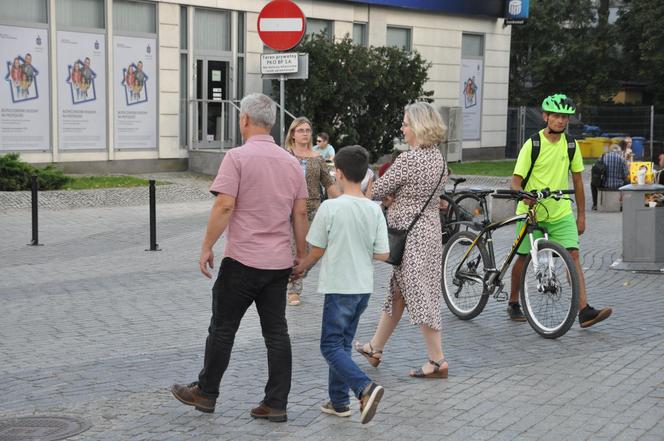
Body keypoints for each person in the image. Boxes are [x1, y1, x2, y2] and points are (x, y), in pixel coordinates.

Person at [171, 93, 309, 423]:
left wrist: (206, 246)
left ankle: (206, 392)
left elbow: (224, 205)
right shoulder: (292, 162)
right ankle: (275, 403)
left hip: (242, 261)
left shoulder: (236, 157)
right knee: (276, 334)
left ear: (244, 119)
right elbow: (300, 212)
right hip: (277, 263)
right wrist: (300, 256)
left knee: (222, 329)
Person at [292, 145, 389, 425]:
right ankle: (339, 402)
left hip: (339, 286)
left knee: (330, 346)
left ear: (339, 174)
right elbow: (382, 254)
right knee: (343, 344)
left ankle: (364, 387)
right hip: (363, 288)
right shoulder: (373, 209)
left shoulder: (330, 207)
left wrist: (301, 268)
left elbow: (317, 249)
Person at [355, 102, 449, 378]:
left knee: (421, 295)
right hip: (429, 231)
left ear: (419, 127)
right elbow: (419, 194)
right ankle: (375, 347)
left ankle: (437, 361)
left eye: (406, 123)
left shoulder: (410, 160)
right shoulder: (438, 159)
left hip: (411, 237)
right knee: (398, 293)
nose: (402, 127)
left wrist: (374, 183)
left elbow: (374, 192)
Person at [508, 93, 612, 328]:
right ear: (545, 117)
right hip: (531, 211)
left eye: (565, 117)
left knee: (573, 255)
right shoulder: (532, 145)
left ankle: (584, 311)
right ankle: (514, 300)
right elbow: (515, 182)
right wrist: (526, 197)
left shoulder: (571, 145)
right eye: (556, 116)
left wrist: (582, 216)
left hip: (561, 212)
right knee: (523, 259)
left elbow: (577, 182)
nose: (561, 121)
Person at [284, 117, 340, 306]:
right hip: (290, 212)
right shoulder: (285, 156)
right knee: (294, 251)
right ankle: (293, 289)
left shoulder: (318, 158)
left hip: (314, 211)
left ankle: (293, 276)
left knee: (312, 254)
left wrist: (343, 202)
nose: (305, 133)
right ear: (292, 134)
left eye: (308, 130)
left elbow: (329, 185)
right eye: (300, 130)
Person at [590, 143, 629, 210]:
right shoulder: (622, 159)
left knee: (593, 184)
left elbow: (597, 170)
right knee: (629, 183)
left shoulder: (602, 157)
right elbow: (625, 174)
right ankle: (624, 204)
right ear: (619, 151)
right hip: (618, 185)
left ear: (610, 150)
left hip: (604, 184)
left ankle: (595, 204)